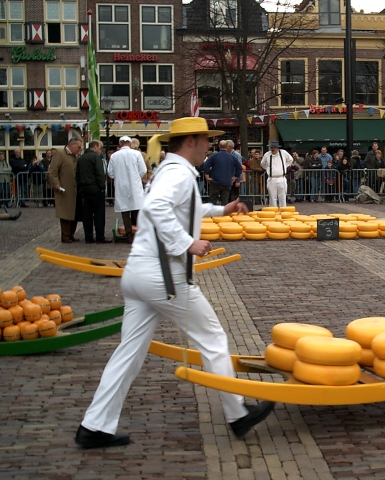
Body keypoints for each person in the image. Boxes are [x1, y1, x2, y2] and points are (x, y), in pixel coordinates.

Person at [75, 117, 274, 449]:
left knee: (128, 353)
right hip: (163, 275)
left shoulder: (171, 170)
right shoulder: (180, 173)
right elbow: (156, 207)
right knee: (212, 337)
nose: (210, 146)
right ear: (191, 141)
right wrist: (186, 243)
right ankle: (237, 414)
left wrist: (221, 210)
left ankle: (94, 426)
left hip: (139, 273)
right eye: (206, 141)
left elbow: (185, 207)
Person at [108, 136, 147, 244]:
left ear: (120, 144)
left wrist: (118, 176)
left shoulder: (114, 156)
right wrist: (135, 177)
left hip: (121, 187)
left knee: (125, 213)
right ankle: (139, 235)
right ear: (130, 144)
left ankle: (129, 235)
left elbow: (110, 172)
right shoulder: (137, 154)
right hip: (135, 187)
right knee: (137, 211)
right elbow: (143, 169)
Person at [77, 140, 112, 244]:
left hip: (84, 189)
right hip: (96, 189)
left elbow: (77, 174)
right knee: (98, 214)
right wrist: (102, 187)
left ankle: (88, 237)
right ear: (95, 147)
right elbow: (100, 173)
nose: (100, 150)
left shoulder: (81, 158)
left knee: (87, 214)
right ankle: (100, 236)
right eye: (100, 148)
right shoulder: (96, 157)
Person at [50, 138, 83, 243]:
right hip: (64, 189)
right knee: (65, 212)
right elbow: (53, 171)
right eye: (78, 147)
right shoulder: (60, 154)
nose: (79, 149)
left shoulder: (74, 156)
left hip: (74, 189)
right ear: (72, 145)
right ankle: (65, 235)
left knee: (74, 212)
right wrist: (56, 184)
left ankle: (71, 234)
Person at [203, 140, 241, 206]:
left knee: (212, 200)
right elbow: (239, 167)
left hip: (215, 181)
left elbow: (206, 165)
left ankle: (211, 214)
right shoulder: (232, 157)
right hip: (227, 182)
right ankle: (224, 215)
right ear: (226, 147)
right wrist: (235, 177)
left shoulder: (214, 156)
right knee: (225, 200)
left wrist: (207, 176)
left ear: (218, 146)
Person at [261, 141, 294, 207]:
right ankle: (273, 212)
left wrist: (285, 166)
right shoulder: (267, 154)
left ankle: (283, 211)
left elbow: (290, 160)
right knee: (272, 197)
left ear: (277, 148)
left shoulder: (283, 153)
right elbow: (262, 164)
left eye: (274, 147)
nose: (272, 149)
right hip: (271, 178)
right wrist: (268, 169)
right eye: (271, 147)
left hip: (281, 178)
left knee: (282, 197)